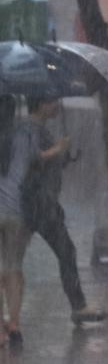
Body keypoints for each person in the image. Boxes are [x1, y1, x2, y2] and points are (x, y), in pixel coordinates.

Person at [20, 95, 107, 327]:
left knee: (17, 260)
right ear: (40, 104)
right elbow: (31, 161)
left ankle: (78, 306)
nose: (57, 105)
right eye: (52, 100)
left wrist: (64, 156)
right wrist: (58, 150)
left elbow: (46, 163)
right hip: (39, 204)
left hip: (41, 203)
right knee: (65, 252)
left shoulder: (39, 129)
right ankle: (78, 306)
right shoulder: (30, 130)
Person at [0, 96, 39, 345]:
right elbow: (35, 164)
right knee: (13, 267)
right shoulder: (24, 133)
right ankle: (14, 324)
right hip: (15, 211)